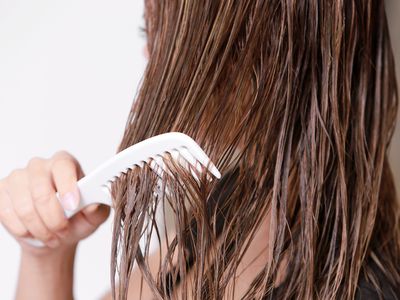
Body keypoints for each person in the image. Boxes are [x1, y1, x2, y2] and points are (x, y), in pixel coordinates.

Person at [1, 0, 400, 299]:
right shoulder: (234, 203)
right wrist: (47, 254)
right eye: (147, 31)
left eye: (176, 41)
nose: (153, 62)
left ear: (280, 55)